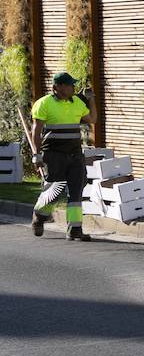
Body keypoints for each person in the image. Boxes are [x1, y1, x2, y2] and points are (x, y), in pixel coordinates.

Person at [29, 72, 96, 241]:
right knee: (54, 190)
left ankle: (74, 229)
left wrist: (91, 99)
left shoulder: (78, 103)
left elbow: (92, 119)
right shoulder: (44, 103)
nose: (73, 87)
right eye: (69, 85)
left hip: (75, 155)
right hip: (54, 155)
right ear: (58, 87)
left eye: (73, 85)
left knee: (76, 191)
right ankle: (39, 215)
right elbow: (36, 130)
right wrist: (36, 154)